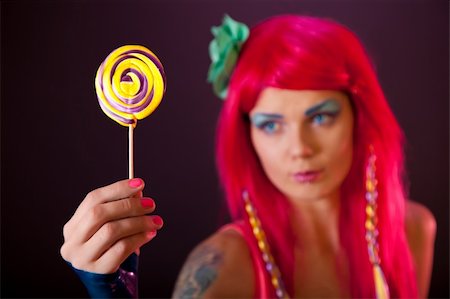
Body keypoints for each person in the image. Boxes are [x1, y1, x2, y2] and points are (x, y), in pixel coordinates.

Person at [60, 14, 436, 298]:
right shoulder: (224, 267)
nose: (299, 148)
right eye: (271, 124)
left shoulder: (414, 231)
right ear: (247, 134)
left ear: (359, 117)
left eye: (320, 117)